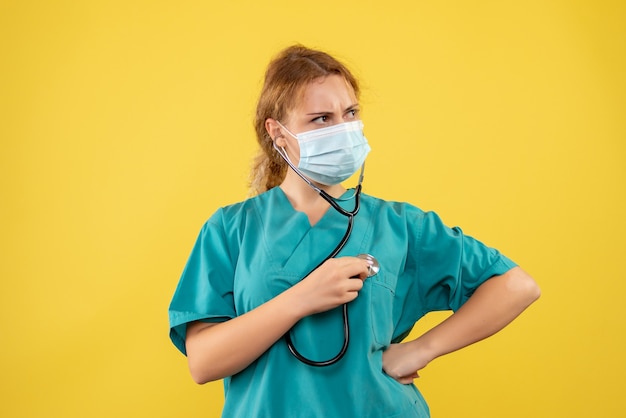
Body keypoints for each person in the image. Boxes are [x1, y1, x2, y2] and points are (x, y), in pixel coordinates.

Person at [168, 45, 540, 418]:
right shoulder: (231, 229)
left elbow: (517, 286)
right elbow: (203, 363)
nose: (342, 130)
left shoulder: (400, 226)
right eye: (321, 119)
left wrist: (420, 349)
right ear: (277, 132)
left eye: (350, 113)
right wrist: (303, 297)